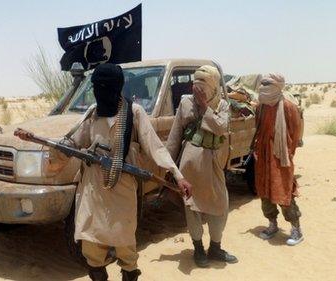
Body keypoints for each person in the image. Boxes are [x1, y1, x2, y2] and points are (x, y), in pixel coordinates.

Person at [16, 63, 191, 281]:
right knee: (91, 245)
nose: (100, 93)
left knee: (125, 244)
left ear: (116, 88)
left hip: (122, 190)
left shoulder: (134, 113)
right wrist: (42, 142)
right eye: (96, 88)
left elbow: (156, 148)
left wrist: (178, 175)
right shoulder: (92, 113)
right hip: (93, 189)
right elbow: (72, 142)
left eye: (104, 88)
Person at [166, 65, 238, 268]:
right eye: (196, 86)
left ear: (213, 86)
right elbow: (175, 135)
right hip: (190, 163)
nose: (198, 91)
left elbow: (220, 127)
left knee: (220, 205)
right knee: (193, 207)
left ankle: (215, 248)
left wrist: (205, 105)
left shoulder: (222, 105)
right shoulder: (185, 103)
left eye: (203, 86)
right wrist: (170, 167)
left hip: (213, 164)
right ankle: (198, 249)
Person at [253, 73, 303, 246]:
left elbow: (295, 135)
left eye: (268, 85)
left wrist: (286, 154)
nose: (264, 88)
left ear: (277, 87)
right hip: (263, 156)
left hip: (281, 158)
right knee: (264, 191)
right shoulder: (261, 107)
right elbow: (258, 131)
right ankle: (272, 224)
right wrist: (258, 150)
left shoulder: (289, 107)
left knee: (283, 191)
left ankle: (296, 229)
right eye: (263, 84)